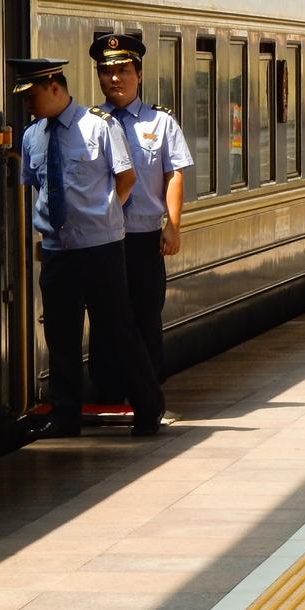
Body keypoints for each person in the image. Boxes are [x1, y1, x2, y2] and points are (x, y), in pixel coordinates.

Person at [10, 57, 165, 438]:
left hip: (101, 248)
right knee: (60, 335)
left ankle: (148, 407)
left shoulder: (98, 127)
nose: (28, 104)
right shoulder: (33, 136)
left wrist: (106, 213)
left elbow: (126, 177)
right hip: (58, 251)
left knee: (118, 329)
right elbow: (36, 184)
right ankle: (65, 416)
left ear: (55, 88)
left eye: (32, 95)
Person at [87, 33, 193, 401]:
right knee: (104, 319)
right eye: (106, 71)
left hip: (143, 236)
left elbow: (175, 173)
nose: (114, 78)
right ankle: (108, 394)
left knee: (146, 317)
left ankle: (148, 397)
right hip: (101, 239)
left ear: (140, 75)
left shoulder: (160, 123)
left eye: (123, 71)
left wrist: (173, 224)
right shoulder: (90, 124)